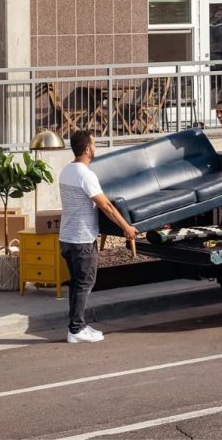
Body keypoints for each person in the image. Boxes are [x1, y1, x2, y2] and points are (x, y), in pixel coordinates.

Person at [59, 130, 137, 343]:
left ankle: (78, 326)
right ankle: (75, 330)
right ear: (87, 149)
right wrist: (126, 227)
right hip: (82, 238)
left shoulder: (66, 170)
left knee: (77, 283)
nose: (96, 148)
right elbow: (107, 206)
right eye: (94, 144)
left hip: (67, 237)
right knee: (84, 283)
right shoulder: (86, 175)